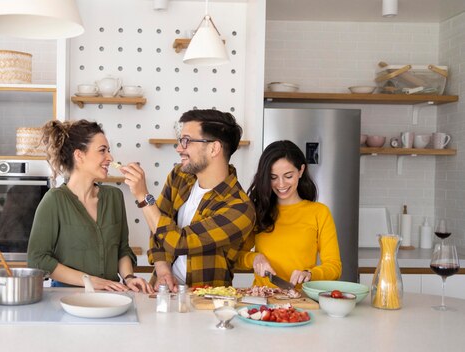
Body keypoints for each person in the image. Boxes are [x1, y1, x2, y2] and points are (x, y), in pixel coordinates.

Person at [119, 109, 256, 291]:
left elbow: (179, 242)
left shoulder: (239, 208)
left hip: (205, 304)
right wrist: (162, 270)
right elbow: (158, 225)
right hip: (162, 292)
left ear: (214, 148)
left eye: (187, 141)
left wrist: (144, 197)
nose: (179, 148)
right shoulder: (180, 176)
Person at [27, 120, 152, 293]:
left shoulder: (114, 197)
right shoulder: (54, 201)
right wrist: (91, 281)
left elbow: (122, 249)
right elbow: (38, 259)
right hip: (67, 297)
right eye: (102, 151)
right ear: (79, 156)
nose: (110, 158)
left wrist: (129, 277)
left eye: (109, 151)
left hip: (111, 296)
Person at [237, 140, 342, 287]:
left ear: (301, 171)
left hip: (301, 301)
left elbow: (334, 267)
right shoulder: (258, 211)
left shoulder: (319, 213)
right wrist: (254, 258)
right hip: (262, 302)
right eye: (273, 177)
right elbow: (235, 257)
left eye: (288, 176)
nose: (281, 184)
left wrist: (309, 274)